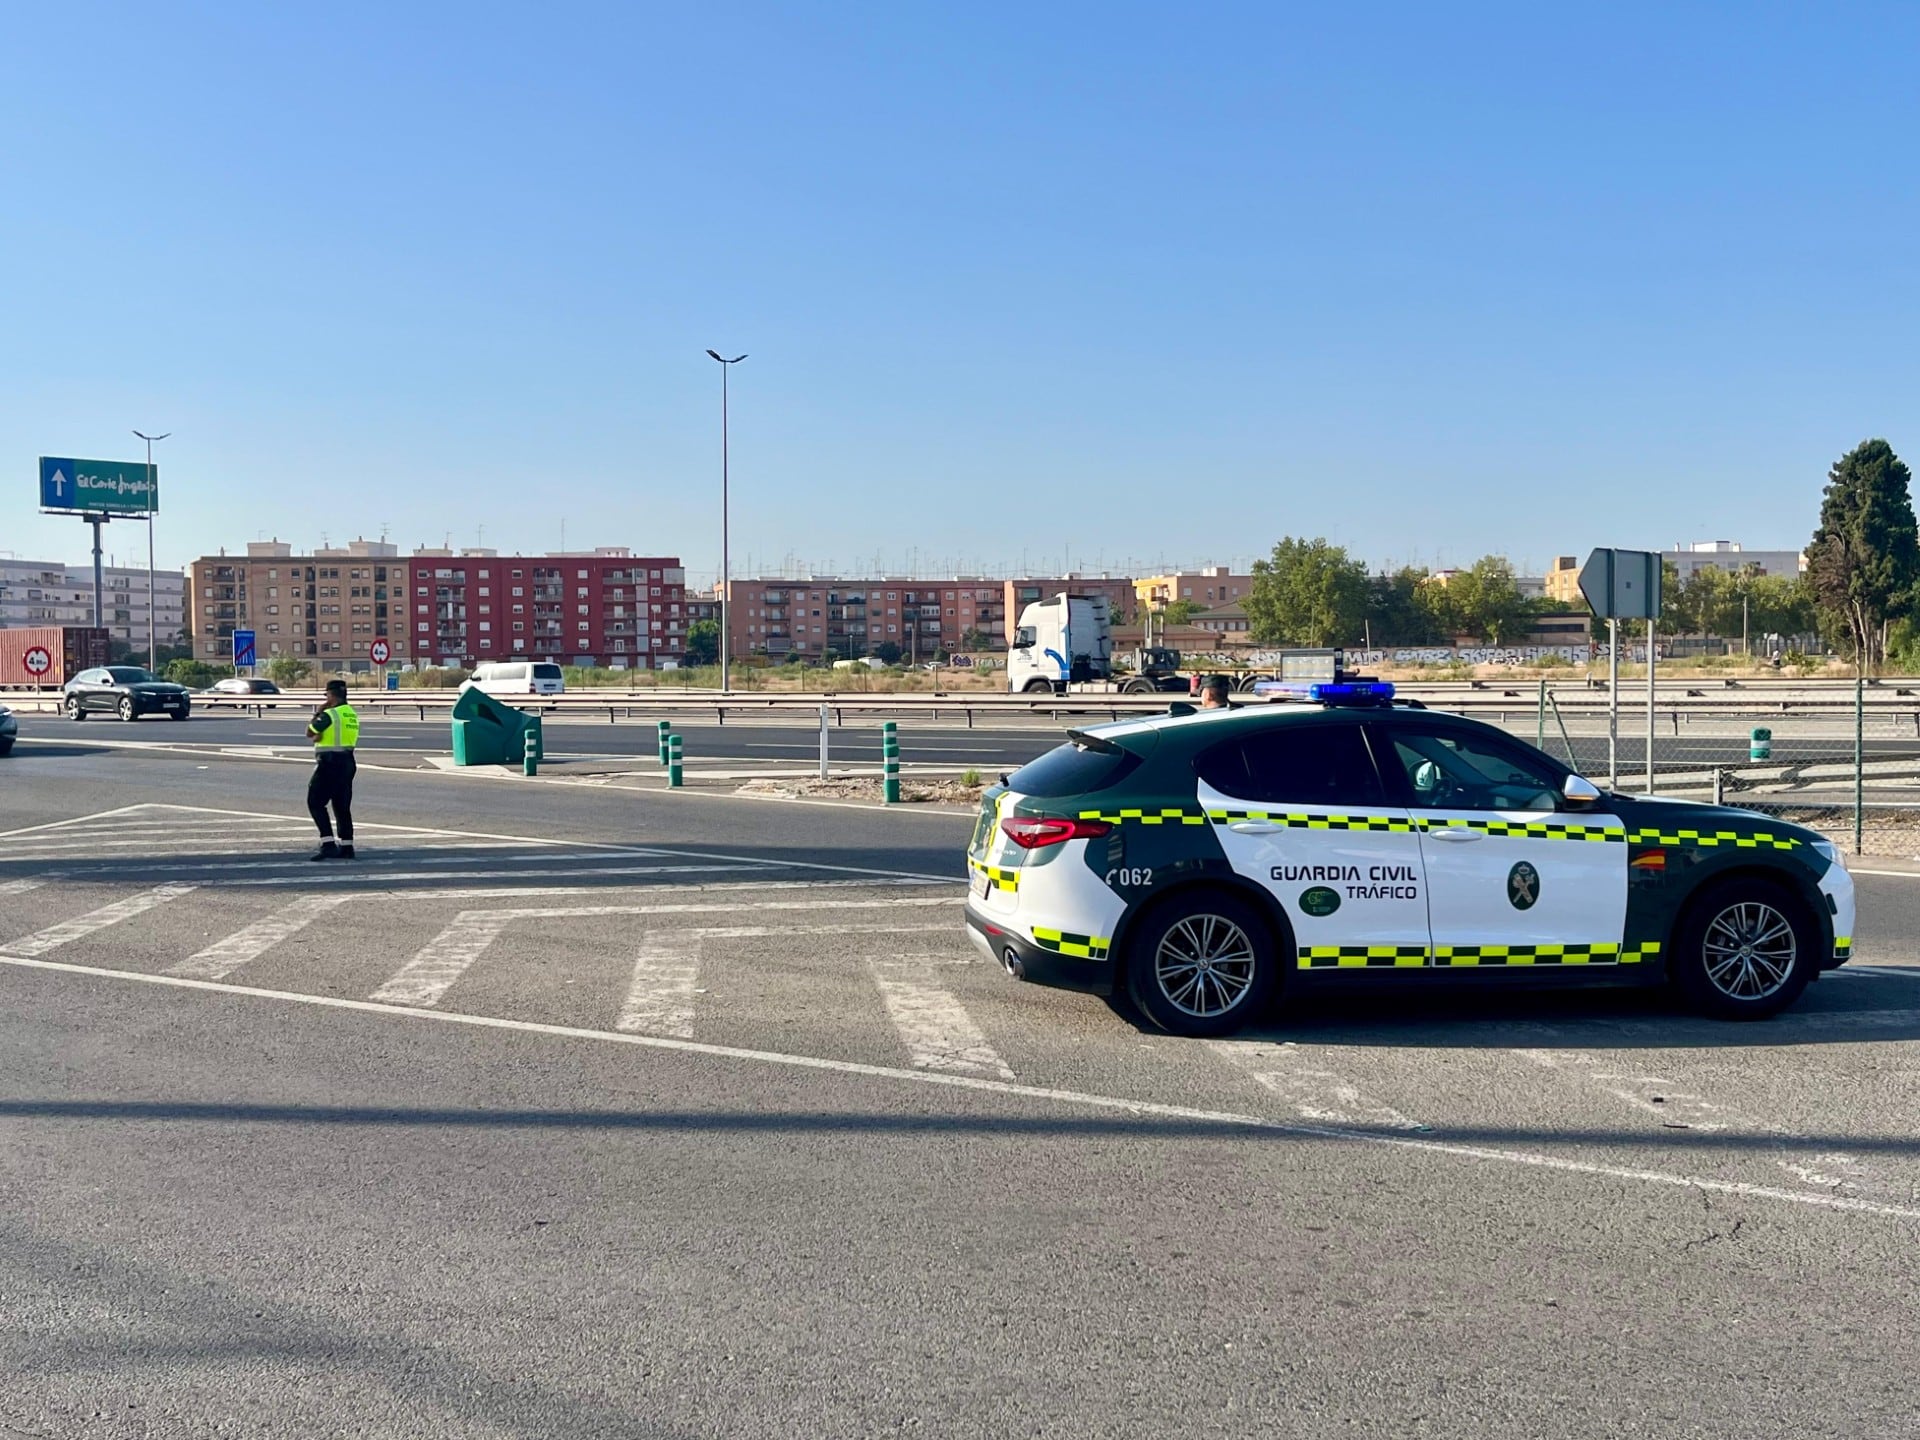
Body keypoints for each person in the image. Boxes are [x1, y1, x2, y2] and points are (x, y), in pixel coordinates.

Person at [306, 679, 359, 860]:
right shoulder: (351, 713)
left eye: (327, 695)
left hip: (330, 763)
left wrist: (319, 711)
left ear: (331, 695)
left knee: (315, 801)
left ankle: (328, 844)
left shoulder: (329, 714)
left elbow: (310, 731)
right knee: (341, 805)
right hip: (348, 762)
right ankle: (347, 847)